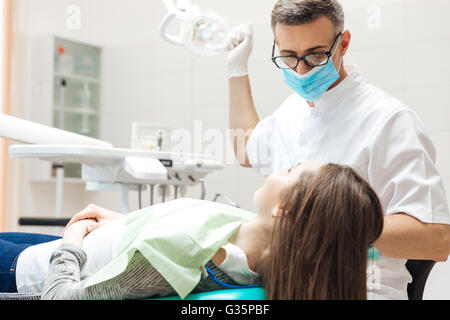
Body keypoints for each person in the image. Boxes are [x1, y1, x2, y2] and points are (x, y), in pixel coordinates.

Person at [225, 0, 450, 299]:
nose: (302, 70)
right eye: (289, 56)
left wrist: (326, 225)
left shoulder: (389, 120)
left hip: (363, 288)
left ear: (343, 44)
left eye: (316, 56)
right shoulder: (290, 112)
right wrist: (236, 69)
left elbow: (436, 240)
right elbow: (245, 149)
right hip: (287, 287)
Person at [0, 162, 383, 300]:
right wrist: (124, 222)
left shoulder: (182, 255)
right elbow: (182, 230)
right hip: (68, 245)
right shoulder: (252, 244)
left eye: (292, 171)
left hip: (31, 271)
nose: (280, 168)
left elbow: (60, 298)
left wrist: (71, 242)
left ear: (285, 211)